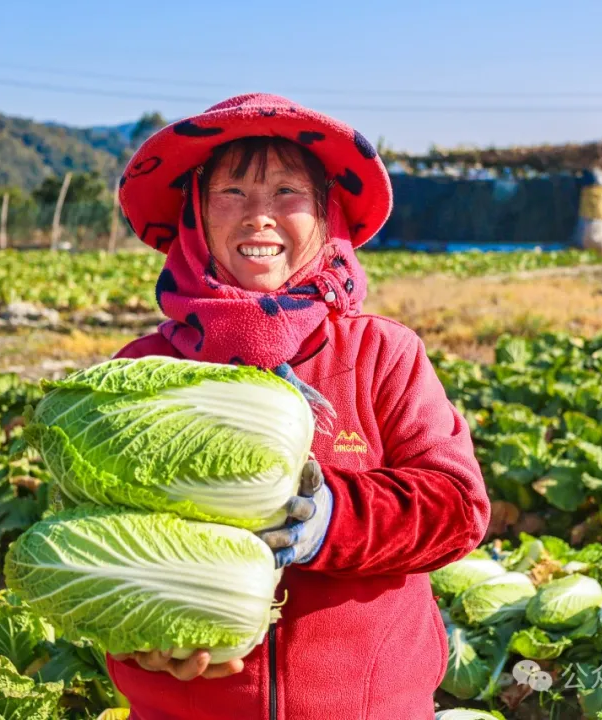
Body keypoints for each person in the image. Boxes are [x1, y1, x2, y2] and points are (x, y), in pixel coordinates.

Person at [108, 93, 491, 720]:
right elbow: (103, 545)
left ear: (326, 216)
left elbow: (457, 508)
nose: (259, 217)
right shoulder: (144, 374)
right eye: (230, 194)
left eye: (289, 194)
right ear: (195, 216)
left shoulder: (381, 353)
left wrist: (330, 520)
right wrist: (139, 643)